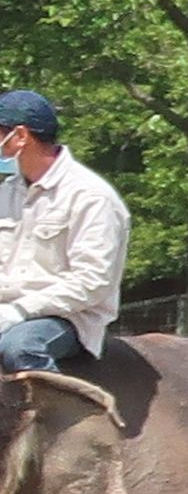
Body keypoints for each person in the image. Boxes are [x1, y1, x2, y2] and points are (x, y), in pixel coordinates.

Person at [0, 96, 126, 378]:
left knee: (21, 347)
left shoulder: (91, 197)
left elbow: (92, 281)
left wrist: (19, 310)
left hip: (66, 317)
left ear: (20, 136)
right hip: (6, 308)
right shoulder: (5, 193)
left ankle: (56, 419)